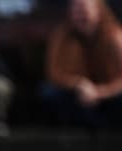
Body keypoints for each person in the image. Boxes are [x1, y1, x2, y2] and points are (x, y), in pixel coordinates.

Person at [40, 0, 122, 130]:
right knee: (49, 92)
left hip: (108, 94)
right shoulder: (62, 36)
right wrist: (78, 83)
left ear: (99, 12)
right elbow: (54, 72)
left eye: (84, 11)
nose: (81, 17)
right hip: (78, 93)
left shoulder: (115, 37)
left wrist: (99, 92)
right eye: (76, 12)